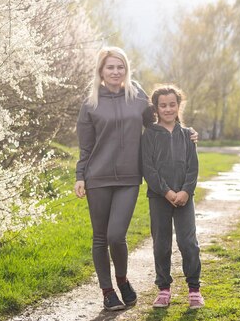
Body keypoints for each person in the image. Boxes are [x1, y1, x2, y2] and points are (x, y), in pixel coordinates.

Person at [75, 47, 199, 311]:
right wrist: (80, 176)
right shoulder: (91, 103)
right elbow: (85, 147)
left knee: (116, 235)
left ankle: (122, 280)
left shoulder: (138, 96)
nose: (116, 72)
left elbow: (161, 123)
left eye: (120, 66)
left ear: (126, 69)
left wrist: (187, 134)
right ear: (101, 71)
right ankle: (108, 291)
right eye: (110, 67)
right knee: (100, 237)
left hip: (130, 177)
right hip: (97, 177)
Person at [140, 84, 204, 310]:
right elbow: (149, 169)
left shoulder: (188, 135)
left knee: (188, 242)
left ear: (179, 106)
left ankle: (194, 289)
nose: (168, 109)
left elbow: (193, 168)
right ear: (156, 108)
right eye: (163, 105)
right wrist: (166, 192)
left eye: (172, 105)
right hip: (159, 198)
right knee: (161, 243)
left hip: (185, 198)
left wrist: (186, 191)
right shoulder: (149, 135)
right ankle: (164, 289)